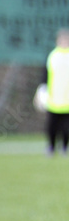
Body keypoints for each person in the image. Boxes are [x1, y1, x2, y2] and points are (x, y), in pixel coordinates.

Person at [44, 28, 69, 156]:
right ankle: (51, 147)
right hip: (54, 99)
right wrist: (43, 90)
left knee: (66, 127)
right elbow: (45, 75)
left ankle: (65, 147)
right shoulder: (53, 56)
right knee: (52, 126)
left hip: (67, 101)